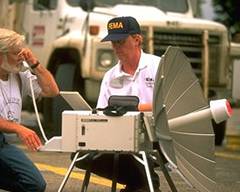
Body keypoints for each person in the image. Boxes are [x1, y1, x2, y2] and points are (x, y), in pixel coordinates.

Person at [74, 16, 161, 192]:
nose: (115, 48)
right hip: (119, 137)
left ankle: (142, 184)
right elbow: (101, 112)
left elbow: (170, 105)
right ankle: (141, 184)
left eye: (120, 42)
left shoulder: (157, 66)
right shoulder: (110, 76)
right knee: (80, 156)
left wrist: (133, 109)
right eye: (113, 43)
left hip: (155, 136)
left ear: (137, 40)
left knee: (133, 151)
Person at [0, 28, 59, 192]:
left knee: (34, 184)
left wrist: (34, 63)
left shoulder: (19, 76)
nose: (21, 58)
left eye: (22, 52)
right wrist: (18, 128)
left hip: (5, 144)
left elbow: (52, 91)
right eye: (15, 53)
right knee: (33, 184)